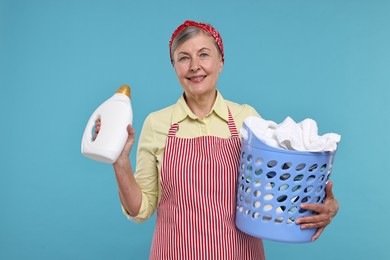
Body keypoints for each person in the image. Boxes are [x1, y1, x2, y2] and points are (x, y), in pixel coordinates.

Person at [99, 20, 339, 259]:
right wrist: (120, 161)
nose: (195, 66)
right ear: (174, 66)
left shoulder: (247, 119)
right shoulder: (156, 123)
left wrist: (324, 205)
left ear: (220, 61)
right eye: (183, 58)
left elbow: (280, 192)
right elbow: (140, 209)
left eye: (204, 54)